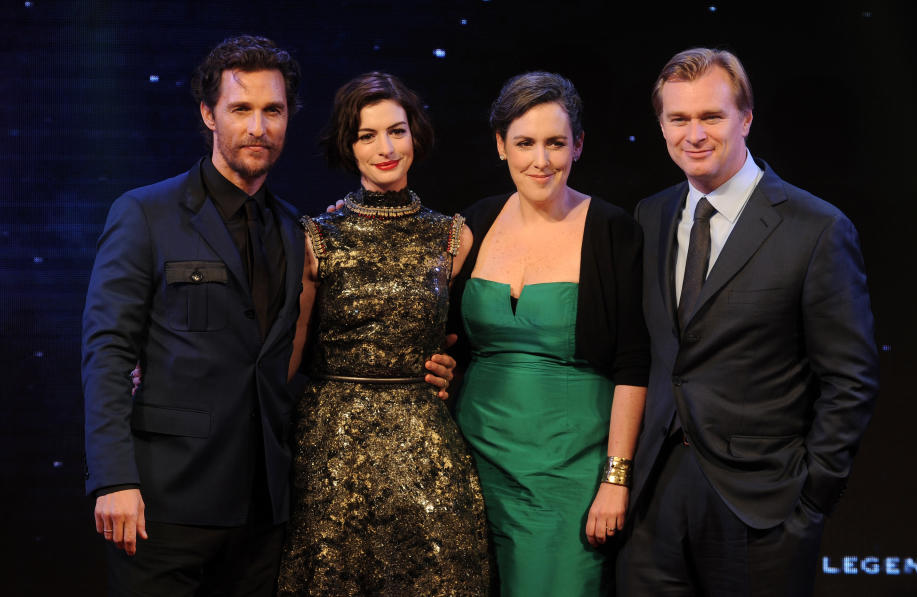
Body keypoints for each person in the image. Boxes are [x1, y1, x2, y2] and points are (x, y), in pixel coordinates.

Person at [81, 38, 454, 595]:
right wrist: (113, 478)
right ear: (209, 114)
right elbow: (107, 351)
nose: (258, 127)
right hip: (165, 501)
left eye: (272, 111)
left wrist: (436, 364)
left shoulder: (296, 229)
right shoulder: (145, 213)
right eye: (241, 109)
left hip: (267, 510)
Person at [617, 48, 879, 596]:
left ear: (746, 118)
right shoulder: (651, 215)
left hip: (763, 506)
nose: (694, 134)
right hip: (654, 500)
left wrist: (810, 500)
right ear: (661, 124)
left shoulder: (816, 228)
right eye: (678, 118)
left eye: (711, 116)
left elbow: (850, 378)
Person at [276, 72, 490, 596]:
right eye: (367, 135)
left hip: (426, 446)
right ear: (348, 147)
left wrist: (452, 371)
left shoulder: (455, 236)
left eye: (396, 130)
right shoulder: (316, 237)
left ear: (415, 134)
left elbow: (470, 341)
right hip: (332, 444)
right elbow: (289, 351)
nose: (385, 148)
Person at [449, 72, 650, 596]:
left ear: (577, 145)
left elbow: (633, 362)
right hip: (468, 466)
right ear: (500, 147)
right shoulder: (475, 222)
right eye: (525, 143)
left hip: (568, 475)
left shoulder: (613, 230)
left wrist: (615, 478)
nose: (541, 160)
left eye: (555, 143)